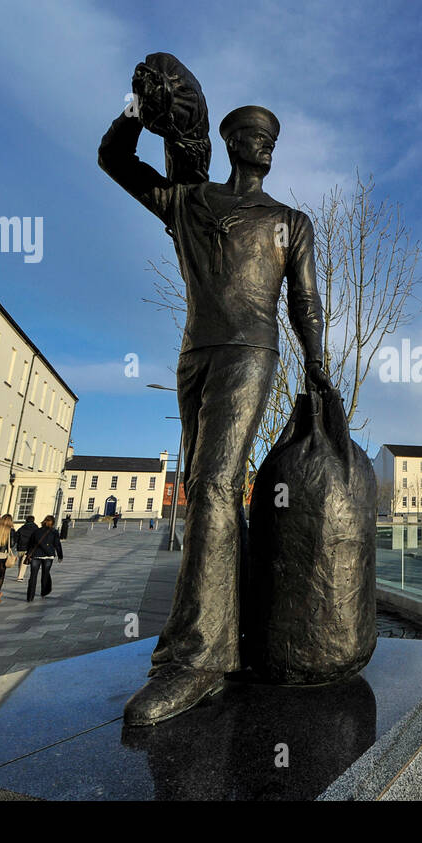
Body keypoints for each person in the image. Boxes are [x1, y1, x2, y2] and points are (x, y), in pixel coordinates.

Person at [100, 54, 330, 726]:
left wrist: (318, 363)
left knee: (211, 484)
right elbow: (115, 160)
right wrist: (136, 110)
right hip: (195, 357)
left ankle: (202, 657)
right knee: (208, 492)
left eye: (271, 139)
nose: (264, 145)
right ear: (230, 142)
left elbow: (306, 302)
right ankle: (202, 637)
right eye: (254, 135)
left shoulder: (291, 221)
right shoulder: (192, 202)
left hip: (250, 355)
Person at [25, 515, 63, 602]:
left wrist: (29, 553)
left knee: (33, 576)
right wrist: (60, 556)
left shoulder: (37, 531)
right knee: (45, 574)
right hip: (48, 555)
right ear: (53, 523)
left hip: (36, 555)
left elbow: (31, 543)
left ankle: (30, 596)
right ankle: (44, 592)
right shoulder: (54, 532)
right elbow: (57, 544)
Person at [14, 515, 40, 582]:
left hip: (21, 547)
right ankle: (22, 576)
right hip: (30, 548)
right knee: (26, 562)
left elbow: (16, 537)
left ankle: (20, 575)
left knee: (21, 562)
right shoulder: (36, 529)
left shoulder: (22, 528)